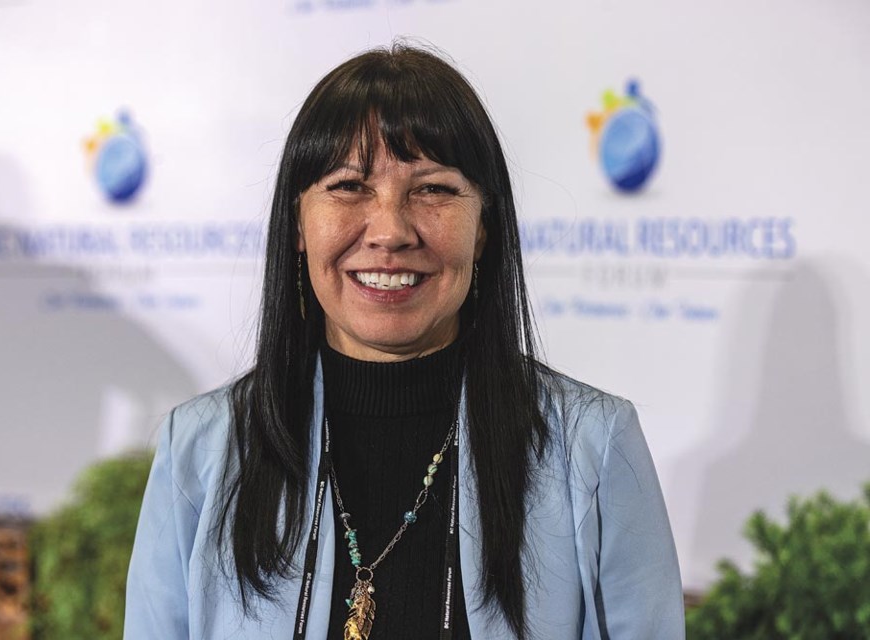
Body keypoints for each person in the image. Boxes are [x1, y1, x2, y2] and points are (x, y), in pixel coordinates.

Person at [124, 44, 684, 640]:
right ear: (298, 225)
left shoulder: (591, 449)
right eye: (349, 186)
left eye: (433, 190)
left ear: (485, 226)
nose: (390, 231)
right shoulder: (203, 451)